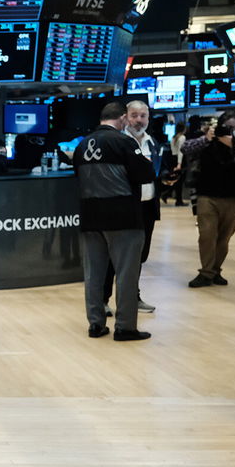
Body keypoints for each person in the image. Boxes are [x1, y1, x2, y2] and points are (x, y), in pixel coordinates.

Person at [72, 102, 155, 341]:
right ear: (121, 119)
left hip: (90, 217)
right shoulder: (124, 142)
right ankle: (125, 327)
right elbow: (146, 174)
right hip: (123, 219)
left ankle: (95, 324)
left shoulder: (81, 145)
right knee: (127, 274)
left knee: (94, 274)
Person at [181, 109, 235, 287]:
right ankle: (206, 272)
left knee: (224, 238)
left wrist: (234, 146)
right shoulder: (207, 139)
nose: (228, 132)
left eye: (232, 128)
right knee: (207, 235)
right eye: (225, 128)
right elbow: (185, 148)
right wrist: (206, 138)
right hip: (207, 195)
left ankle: (215, 271)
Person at [101, 100, 161, 314]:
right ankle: (103, 300)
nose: (138, 120)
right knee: (112, 257)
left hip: (146, 208)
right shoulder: (116, 141)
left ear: (148, 118)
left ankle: (132, 298)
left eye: (143, 116)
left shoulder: (153, 142)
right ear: (125, 117)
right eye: (134, 115)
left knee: (139, 257)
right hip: (124, 207)